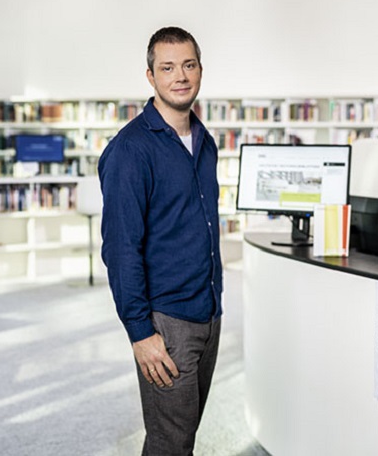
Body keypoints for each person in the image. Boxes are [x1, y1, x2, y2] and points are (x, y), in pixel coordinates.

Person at [98, 26, 222, 455]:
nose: (180, 76)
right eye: (167, 67)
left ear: (200, 70)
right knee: (170, 443)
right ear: (150, 77)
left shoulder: (204, 142)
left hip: (209, 314)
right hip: (166, 323)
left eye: (188, 65)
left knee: (182, 437)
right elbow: (119, 248)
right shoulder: (130, 151)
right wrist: (139, 333)